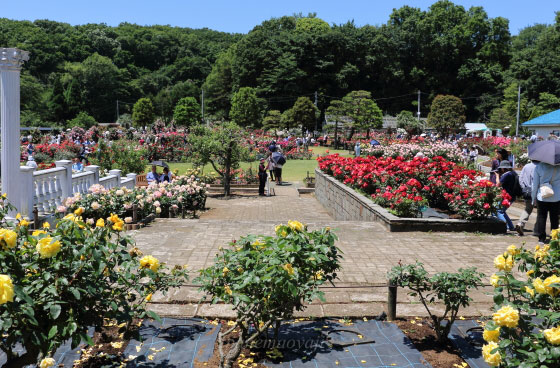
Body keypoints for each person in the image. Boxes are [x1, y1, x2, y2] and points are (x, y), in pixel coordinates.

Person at [532, 161, 560, 244]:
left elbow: (535, 184)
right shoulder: (559, 167)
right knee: (554, 218)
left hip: (542, 196)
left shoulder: (539, 167)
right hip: (556, 196)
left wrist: (533, 197)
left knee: (541, 217)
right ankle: (554, 238)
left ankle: (541, 238)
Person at [515, 160, 538, 236]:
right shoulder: (540, 167)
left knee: (527, 209)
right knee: (541, 211)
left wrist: (524, 188)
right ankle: (537, 229)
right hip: (538, 192)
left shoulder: (526, 166)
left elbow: (520, 178)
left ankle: (520, 223)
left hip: (527, 192)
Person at [497, 160, 520, 232]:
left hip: (506, 196)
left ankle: (505, 226)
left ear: (503, 168)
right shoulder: (514, 173)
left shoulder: (506, 175)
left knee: (499, 210)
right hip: (512, 196)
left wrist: (497, 176)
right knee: (503, 211)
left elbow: (498, 184)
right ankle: (511, 226)